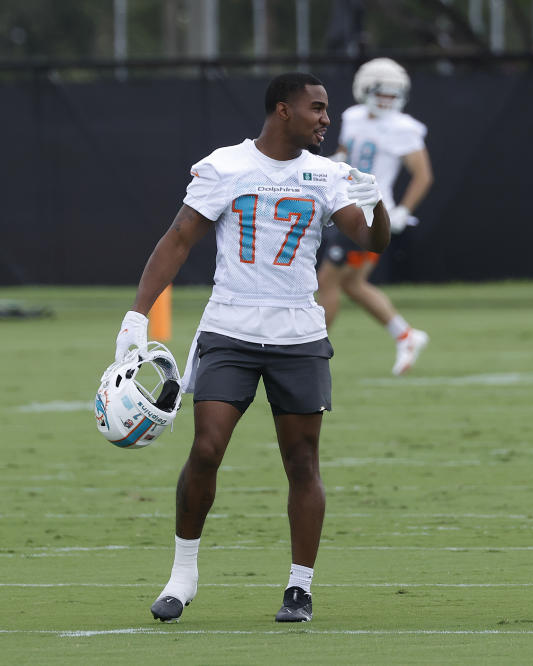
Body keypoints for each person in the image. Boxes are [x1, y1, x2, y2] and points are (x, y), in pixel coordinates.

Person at [112, 72, 390, 623]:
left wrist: (378, 205)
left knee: (301, 461)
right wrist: (136, 314)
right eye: (316, 108)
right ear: (283, 110)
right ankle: (182, 576)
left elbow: (371, 240)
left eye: (327, 109)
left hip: (299, 334)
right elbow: (178, 239)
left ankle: (299, 587)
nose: (325, 119)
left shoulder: (327, 174)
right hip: (230, 329)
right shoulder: (226, 165)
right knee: (208, 447)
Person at [318, 57, 433, 376]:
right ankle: (405, 335)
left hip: (368, 217)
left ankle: (309, 349)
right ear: (365, 90)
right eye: (381, 93)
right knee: (353, 283)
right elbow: (345, 153)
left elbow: (423, 176)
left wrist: (403, 211)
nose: (386, 100)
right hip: (345, 209)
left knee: (327, 281)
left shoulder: (403, 128)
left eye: (392, 94)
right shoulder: (353, 117)